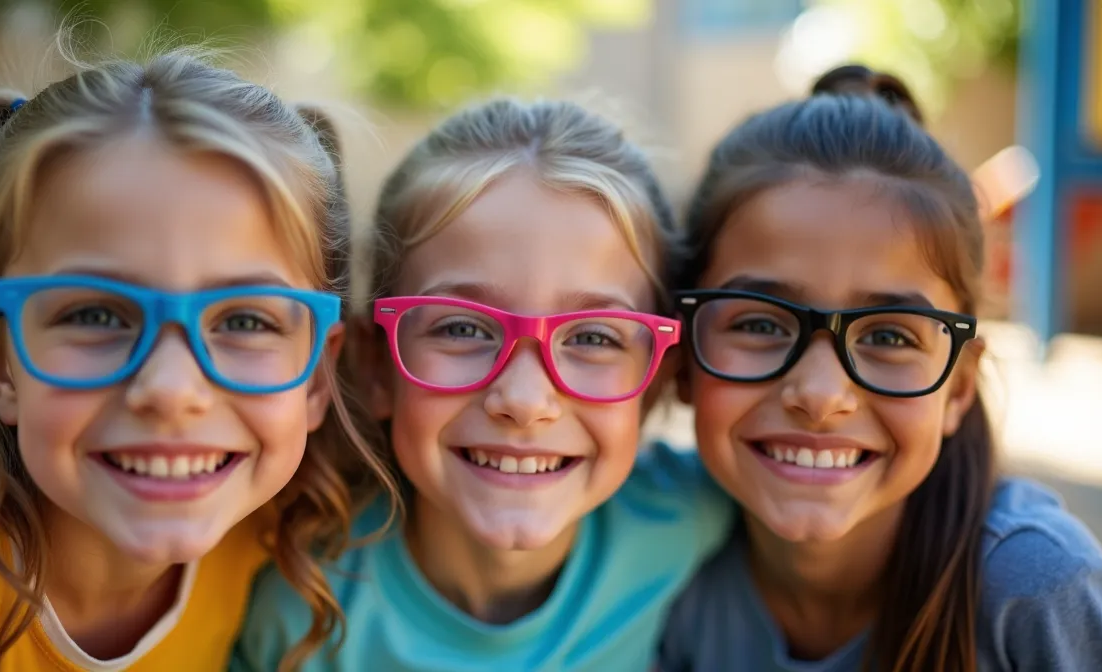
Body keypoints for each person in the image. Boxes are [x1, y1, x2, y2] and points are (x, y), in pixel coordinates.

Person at [0, 45, 393, 671]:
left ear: (315, 374)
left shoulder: (281, 529)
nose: (172, 389)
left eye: (244, 320)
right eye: (96, 316)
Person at [656, 66, 1102, 672]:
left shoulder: (1036, 592)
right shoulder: (657, 564)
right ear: (681, 361)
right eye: (759, 324)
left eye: (888, 335)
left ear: (959, 385)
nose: (821, 394)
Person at [232, 97, 734, 671]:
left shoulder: (692, 520)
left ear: (657, 381)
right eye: (463, 328)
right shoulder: (293, 603)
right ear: (376, 366)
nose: (523, 401)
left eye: (594, 338)